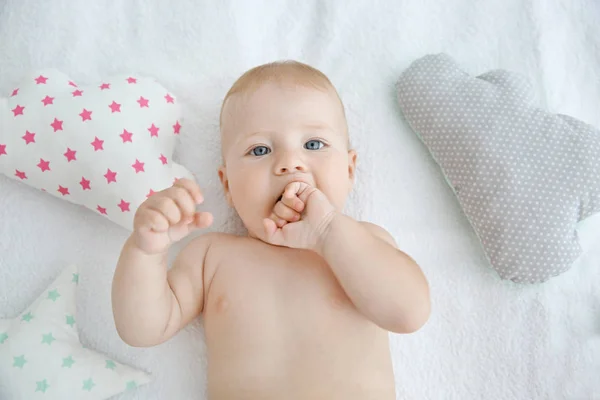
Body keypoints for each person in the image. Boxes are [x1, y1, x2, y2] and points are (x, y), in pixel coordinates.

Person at [112, 60, 430, 399]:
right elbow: (142, 329)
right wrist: (146, 251)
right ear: (228, 185)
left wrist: (327, 230)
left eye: (313, 144)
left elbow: (409, 314)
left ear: (350, 170)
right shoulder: (212, 257)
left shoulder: (365, 243)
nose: (289, 163)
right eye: (260, 150)